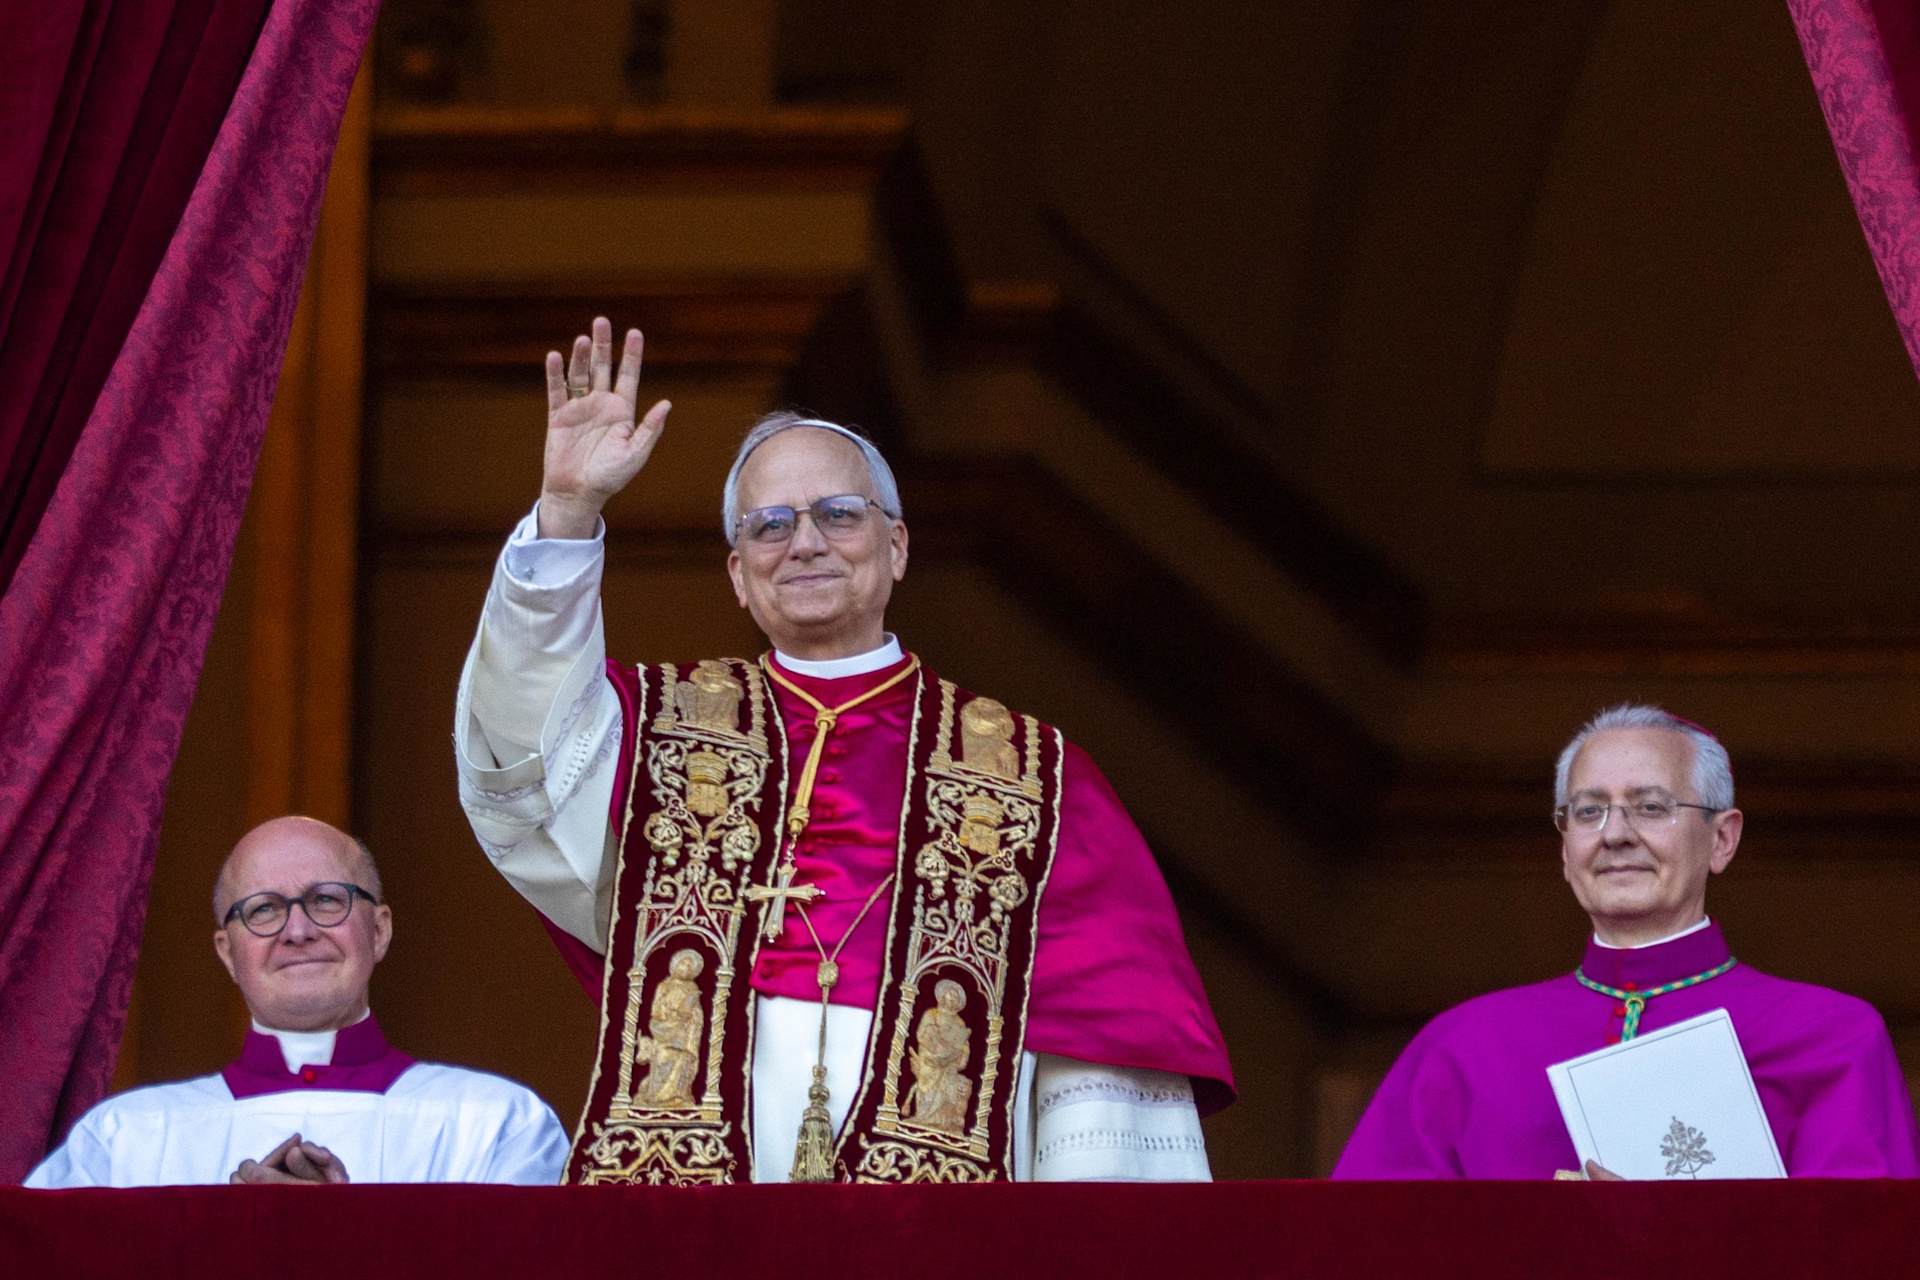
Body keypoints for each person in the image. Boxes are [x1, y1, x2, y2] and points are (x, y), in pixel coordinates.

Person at [455, 319, 1232, 1185]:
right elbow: (520, 754)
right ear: (739, 576)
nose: (806, 542)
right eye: (770, 525)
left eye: (839, 514)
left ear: (897, 547)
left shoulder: (1035, 776)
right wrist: (567, 515)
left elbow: (1108, 1050)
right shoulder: (655, 731)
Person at [1334, 705, 1920, 1179]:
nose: (1615, 834)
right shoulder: (1461, 1047)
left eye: (1650, 807)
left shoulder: (1830, 1038)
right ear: (1565, 850)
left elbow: (1866, 1253)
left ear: (1722, 839)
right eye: (1588, 811)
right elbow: (1362, 1247)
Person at [26, 817, 568, 1187]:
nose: (298, 930)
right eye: (263, 910)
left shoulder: (497, 1123)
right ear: (228, 952)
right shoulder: (125, 1140)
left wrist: (346, 1238)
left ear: (379, 931)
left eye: (326, 900)